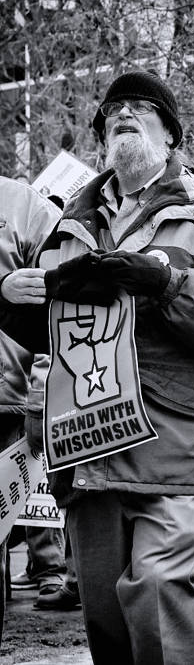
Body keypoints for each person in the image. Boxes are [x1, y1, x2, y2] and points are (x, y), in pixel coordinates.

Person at [0, 70, 194, 665]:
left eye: (142, 107)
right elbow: (45, 330)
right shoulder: (67, 220)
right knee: (105, 616)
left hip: (174, 440)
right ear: (102, 136)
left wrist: (168, 282)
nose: (124, 113)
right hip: (88, 443)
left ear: (171, 134)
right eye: (114, 110)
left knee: (157, 588)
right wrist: (11, 298)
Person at [0, 176, 72, 611]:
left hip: (9, 397)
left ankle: (51, 567)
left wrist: (42, 395)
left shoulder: (26, 206)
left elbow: (58, 309)